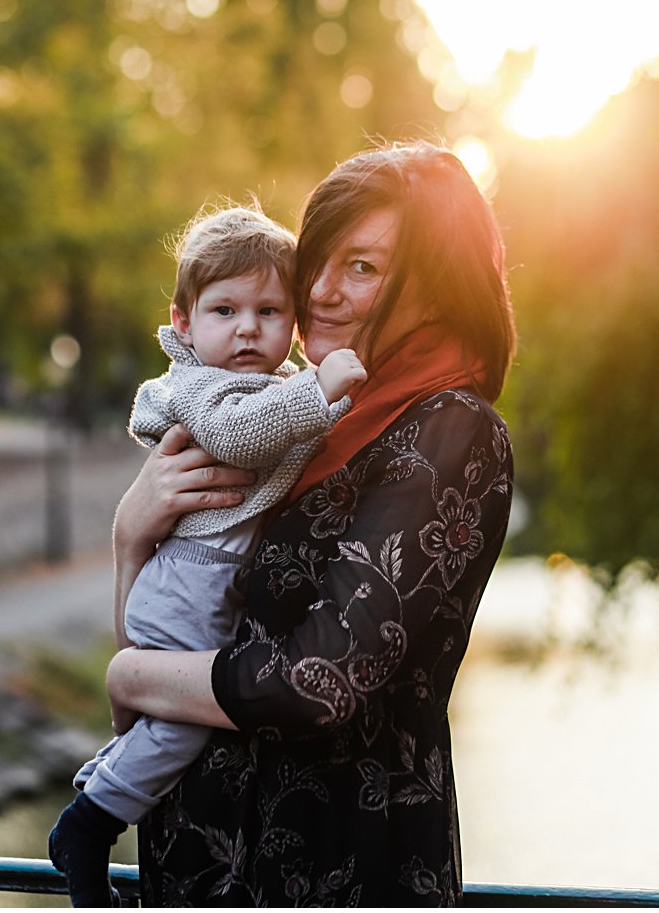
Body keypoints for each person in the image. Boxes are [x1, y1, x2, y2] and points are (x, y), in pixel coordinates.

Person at [101, 143, 515, 906]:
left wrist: (132, 675)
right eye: (319, 258)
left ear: (437, 283)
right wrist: (131, 537)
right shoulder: (298, 422)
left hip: (336, 867)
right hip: (205, 868)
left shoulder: (449, 428)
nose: (318, 290)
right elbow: (169, 634)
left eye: (362, 266)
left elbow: (317, 679)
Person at [48, 205, 366, 906]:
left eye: (268, 309)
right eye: (224, 309)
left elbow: (295, 436)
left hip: (202, 583)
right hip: (189, 583)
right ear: (184, 321)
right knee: (189, 717)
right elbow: (243, 435)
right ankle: (90, 823)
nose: (248, 327)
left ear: (293, 322)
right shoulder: (201, 387)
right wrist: (322, 389)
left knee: (172, 717)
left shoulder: (272, 388)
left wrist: (333, 400)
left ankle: (102, 778)